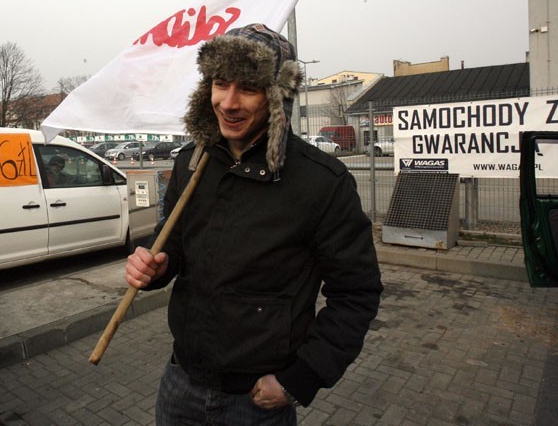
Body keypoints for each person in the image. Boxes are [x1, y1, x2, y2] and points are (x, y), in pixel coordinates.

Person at [125, 24, 383, 425]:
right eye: (220, 83)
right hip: (181, 385)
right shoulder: (192, 162)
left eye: (248, 87)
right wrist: (154, 264)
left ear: (277, 96)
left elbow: (356, 294)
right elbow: (172, 242)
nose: (228, 102)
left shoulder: (322, 182)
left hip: (257, 403)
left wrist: (300, 379)